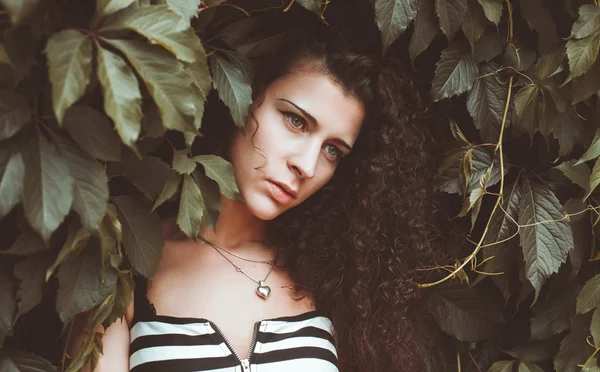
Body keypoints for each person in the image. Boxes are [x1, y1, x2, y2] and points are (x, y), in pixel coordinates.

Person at [85, 26, 440, 372]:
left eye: (332, 150)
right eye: (296, 121)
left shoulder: (340, 281)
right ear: (244, 96)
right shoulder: (127, 263)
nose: (306, 164)